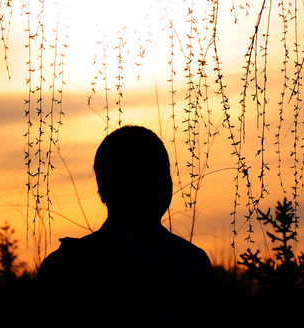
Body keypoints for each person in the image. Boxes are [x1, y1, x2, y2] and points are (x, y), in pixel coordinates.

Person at [38, 126, 213, 318]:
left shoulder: (191, 264)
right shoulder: (68, 270)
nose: (153, 184)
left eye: (161, 172)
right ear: (107, 187)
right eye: (139, 174)